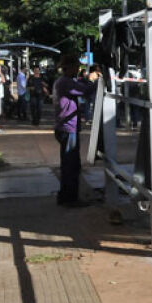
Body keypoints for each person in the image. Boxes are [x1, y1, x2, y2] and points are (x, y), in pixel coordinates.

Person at [53, 54, 101, 207]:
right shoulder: (66, 83)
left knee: (69, 164)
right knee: (71, 165)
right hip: (68, 128)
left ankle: (66, 196)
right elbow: (86, 90)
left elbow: (81, 86)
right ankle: (70, 198)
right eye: (76, 67)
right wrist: (95, 80)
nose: (78, 69)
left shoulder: (64, 81)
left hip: (65, 127)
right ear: (70, 67)